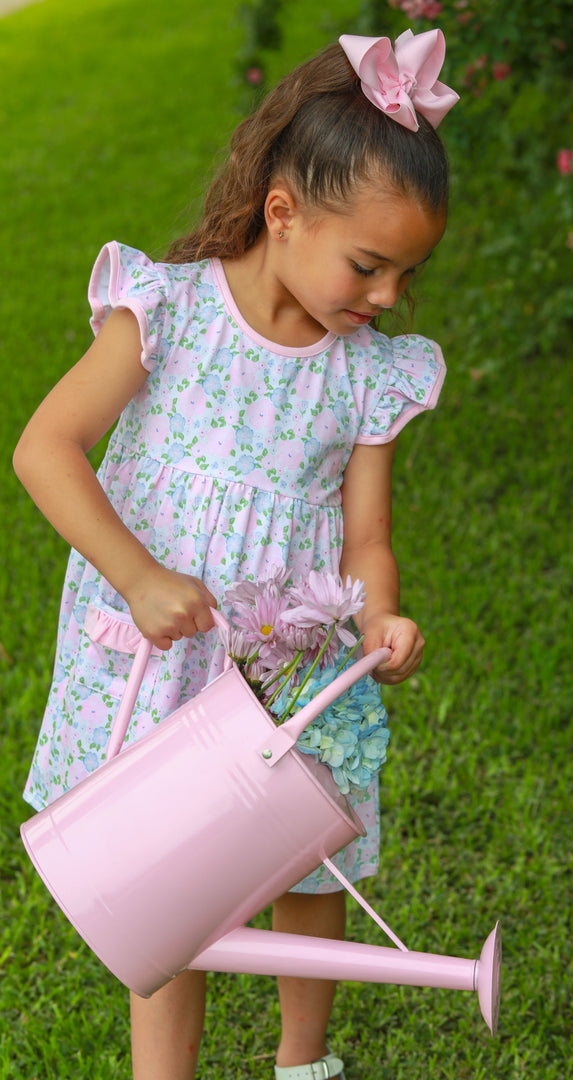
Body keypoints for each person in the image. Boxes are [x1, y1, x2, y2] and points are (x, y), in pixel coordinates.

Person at [13, 29, 458, 1080]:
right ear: (283, 212)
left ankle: (304, 1061)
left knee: (311, 858)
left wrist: (382, 615)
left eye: (405, 273)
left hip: (293, 662)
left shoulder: (360, 377)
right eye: (370, 265)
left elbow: (367, 538)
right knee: (173, 876)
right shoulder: (166, 314)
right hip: (161, 654)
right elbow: (45, 448)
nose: (387, 296)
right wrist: (137, 574)